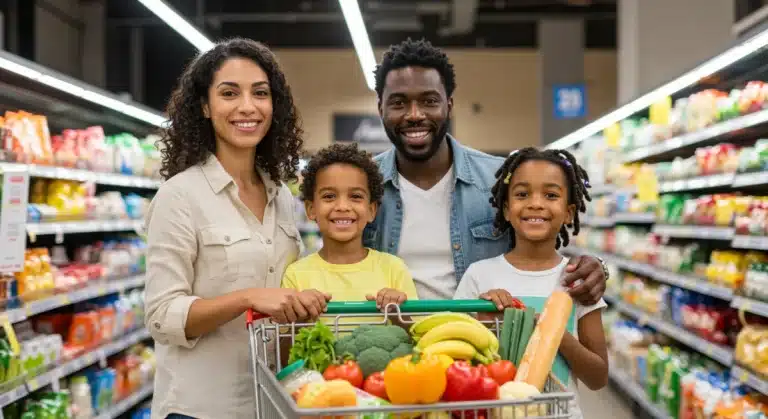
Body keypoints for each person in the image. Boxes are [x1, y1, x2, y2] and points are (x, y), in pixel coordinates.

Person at [143, 38, 329, 419]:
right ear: (205, 106)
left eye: (260, 93)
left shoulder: (280, 196)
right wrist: (248, 298)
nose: (247, 106)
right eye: (230, 93)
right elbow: (162, 315)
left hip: (271, 403)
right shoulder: (180, 196)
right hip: (199, 408)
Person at [364, 38, 609, 306]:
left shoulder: (500, 179)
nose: (414, 114)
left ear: (449, 105)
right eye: (398, 103)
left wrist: (595, 267)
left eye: (429, 101)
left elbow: (542, 252)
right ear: (381, 109)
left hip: (482, 339)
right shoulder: (361, 185)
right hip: (389, 339)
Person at [453, 147, 608, 417]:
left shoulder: (577, 280)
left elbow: (598, 378)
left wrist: (550, 330)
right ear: (506, 208)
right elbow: (453, 362)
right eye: (522, 194)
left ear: (569, 212)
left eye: (551, 195)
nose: (536, 203)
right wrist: (483, 321)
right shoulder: (479, 275)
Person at [281, 143, 418, 312]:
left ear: (371, 210)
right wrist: (302, 314)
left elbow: (415, 333)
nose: (343, 206)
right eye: (329, 196)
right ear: (311, 209)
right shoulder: (296, 275)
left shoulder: (393, 269)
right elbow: (285, 337)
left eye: (355, 196)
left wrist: (396, 313)